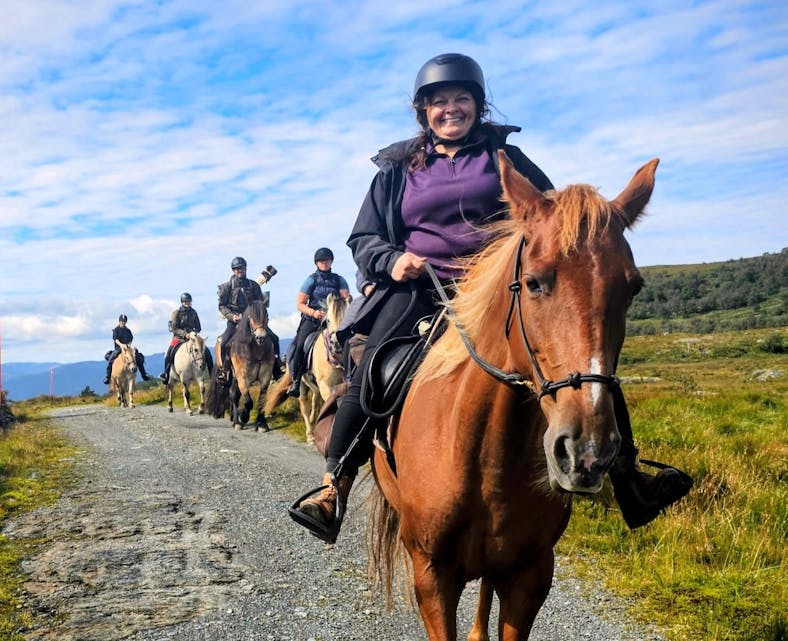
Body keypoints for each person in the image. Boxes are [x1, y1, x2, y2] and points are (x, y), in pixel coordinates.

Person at [290, 53, 692, 543]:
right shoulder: (397, 169)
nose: (451, 109)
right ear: (424, 112)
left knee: (584, 362)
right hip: (423, 287)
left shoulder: (507, 159)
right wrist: (394, 260)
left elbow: (552, 222)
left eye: (462, 99)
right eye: (439, 102)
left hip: (502, 291)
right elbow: (364, 237)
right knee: (375, 366)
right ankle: (336, 484)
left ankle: (629, 478)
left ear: (478, 106)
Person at [286, 247, 351, 397]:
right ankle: (296, 381)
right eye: (321, 261)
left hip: (334, 318)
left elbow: (346, 298)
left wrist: (341, 307)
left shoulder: (339, 279)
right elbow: (300, 303)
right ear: (317, 263)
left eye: (327, 260)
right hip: (313, 318)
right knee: (300, 345)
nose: (324, 263)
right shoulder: (311, 280)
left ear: (331, 261)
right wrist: (314, 312)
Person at [216, 256, 283, 379]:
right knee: (225, 342)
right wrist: (232, 316)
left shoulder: (254, 285)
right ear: (233, 270)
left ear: (245, 269)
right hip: (235, 321)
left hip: (254, 321)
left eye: (241, 268)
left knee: (274, 338)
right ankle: (224, 371)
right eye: (236, 269)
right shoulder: (226, 287)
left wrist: (259, 317)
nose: (239, 271)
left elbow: (260, 304)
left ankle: (277, 367)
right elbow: (222, 306)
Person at [159, 292, 213, 383]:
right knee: (170, 352)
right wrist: (185, 334)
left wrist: (193, 332)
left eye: (188, 302)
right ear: (182, 302)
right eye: (185, 302)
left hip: (192, 337)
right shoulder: (176, 313)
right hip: (179, 337)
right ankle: (166, 374)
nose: (187, 303)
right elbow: (174, 328)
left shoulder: (193, 312)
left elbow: (199, 327)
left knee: (206, 350)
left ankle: (212, 373)